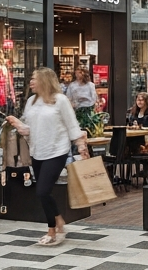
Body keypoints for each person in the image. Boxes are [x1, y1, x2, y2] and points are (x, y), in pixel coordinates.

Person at [5, 68, 89, 246]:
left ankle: (52, 230)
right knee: (44, 193)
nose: (31, 82)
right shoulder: (31, 102)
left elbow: (72, 125)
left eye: (34, 79)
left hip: (57, 151)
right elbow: (29, 129)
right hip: (38, 151)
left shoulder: (60, 101)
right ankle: (58, 220)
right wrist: (17, 123)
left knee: (42, 191)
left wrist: (81, 145)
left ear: (45, 80)